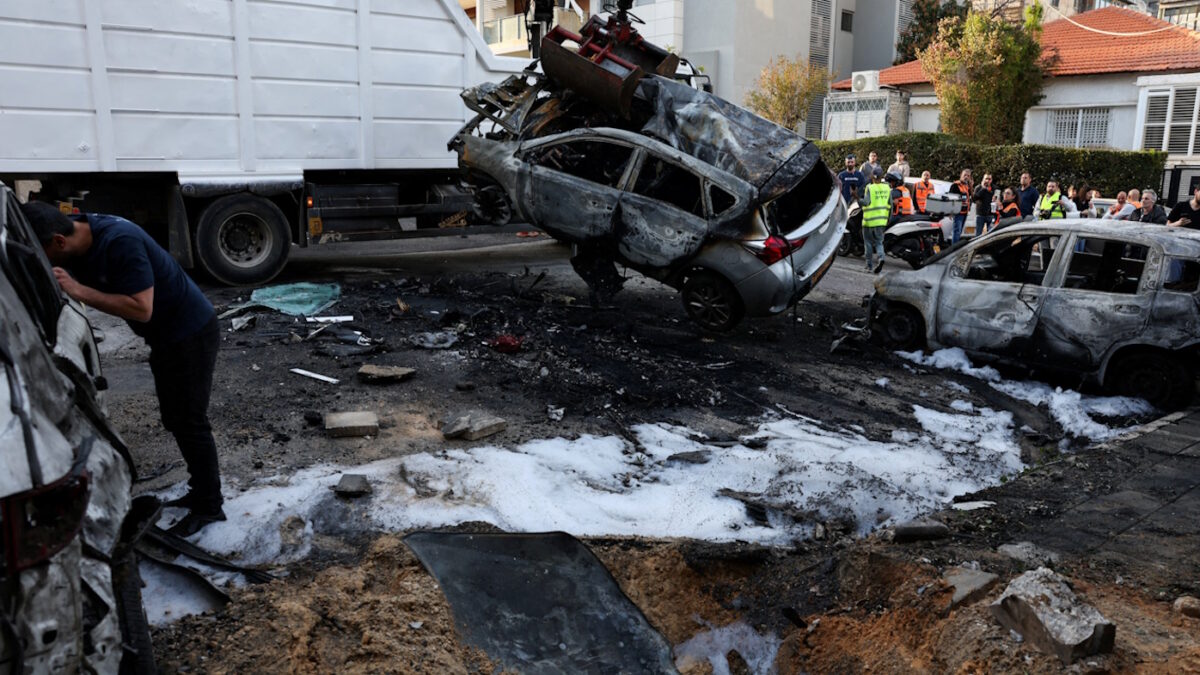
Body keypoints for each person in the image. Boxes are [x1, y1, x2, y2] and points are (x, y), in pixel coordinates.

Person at [21, 201, 225, 537]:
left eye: (43, 252)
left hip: (190, 333)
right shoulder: (75, 233)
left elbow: (141, 308)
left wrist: (77, 289)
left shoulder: (119, 241)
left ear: (58, 241)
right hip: (165, 338)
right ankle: (200, 490)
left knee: (190, 420)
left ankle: (210, 506)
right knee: (175, 417)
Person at [861, 170, 892, 274]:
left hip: (869, 221)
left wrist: (858, 199)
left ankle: (869, 266)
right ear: (881, 177)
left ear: (872, 177)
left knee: (868, 243)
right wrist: (889, 219)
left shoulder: (870, 188)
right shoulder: (887, 188)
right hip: (881, 221)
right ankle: (881, 258)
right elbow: (890, 205)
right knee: (879, 243)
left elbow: (866, 202)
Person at [836, 154, 867, 256]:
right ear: (845, 163)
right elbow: (837, 189)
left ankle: (857, 245)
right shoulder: (841, 175)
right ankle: (844, 244)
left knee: (856, 227)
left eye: (852, 162)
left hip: (856, 207)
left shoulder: (859, 175)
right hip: (844, 205)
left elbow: (864, 189)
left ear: (855, 162)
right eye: (848, 162)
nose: (850, 163)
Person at [948, 169, 973, 244]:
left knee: (959, 232)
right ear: (961, 175)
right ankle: (954, 249)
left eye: (968, 176)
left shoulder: (967, 186)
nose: (966, 177)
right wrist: (951, 211)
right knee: (957, 231)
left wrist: (971, 187)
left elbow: (970, 198)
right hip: (958, 212)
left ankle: (956, 247)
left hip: (964, 212)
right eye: (964, 175)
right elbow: (950, 199)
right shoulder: (955, 185)